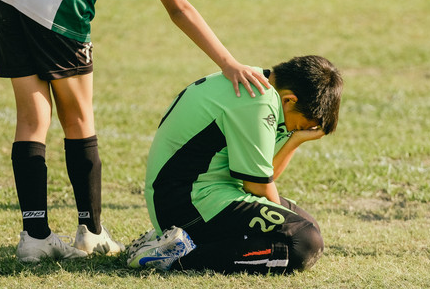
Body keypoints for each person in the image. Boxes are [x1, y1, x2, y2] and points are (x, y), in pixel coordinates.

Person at [0, 0, 270, 262]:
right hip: (59, 5)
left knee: (32, 118)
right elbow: (179, 8)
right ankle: (91, 232)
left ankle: (35, 236)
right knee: (79, 118)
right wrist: (229, 62)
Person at [127, 55, 343, 274]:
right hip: (184, 204)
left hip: (204, 195)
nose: (292, 131)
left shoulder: (264, 87)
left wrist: (296, 139)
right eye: (299, 126)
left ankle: (176, 241)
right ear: (290, 100)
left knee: (309, 227)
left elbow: (266, 175)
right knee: (305, 243)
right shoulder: (258, 100)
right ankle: (173, 259)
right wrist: (283, 227)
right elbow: (257, 186)